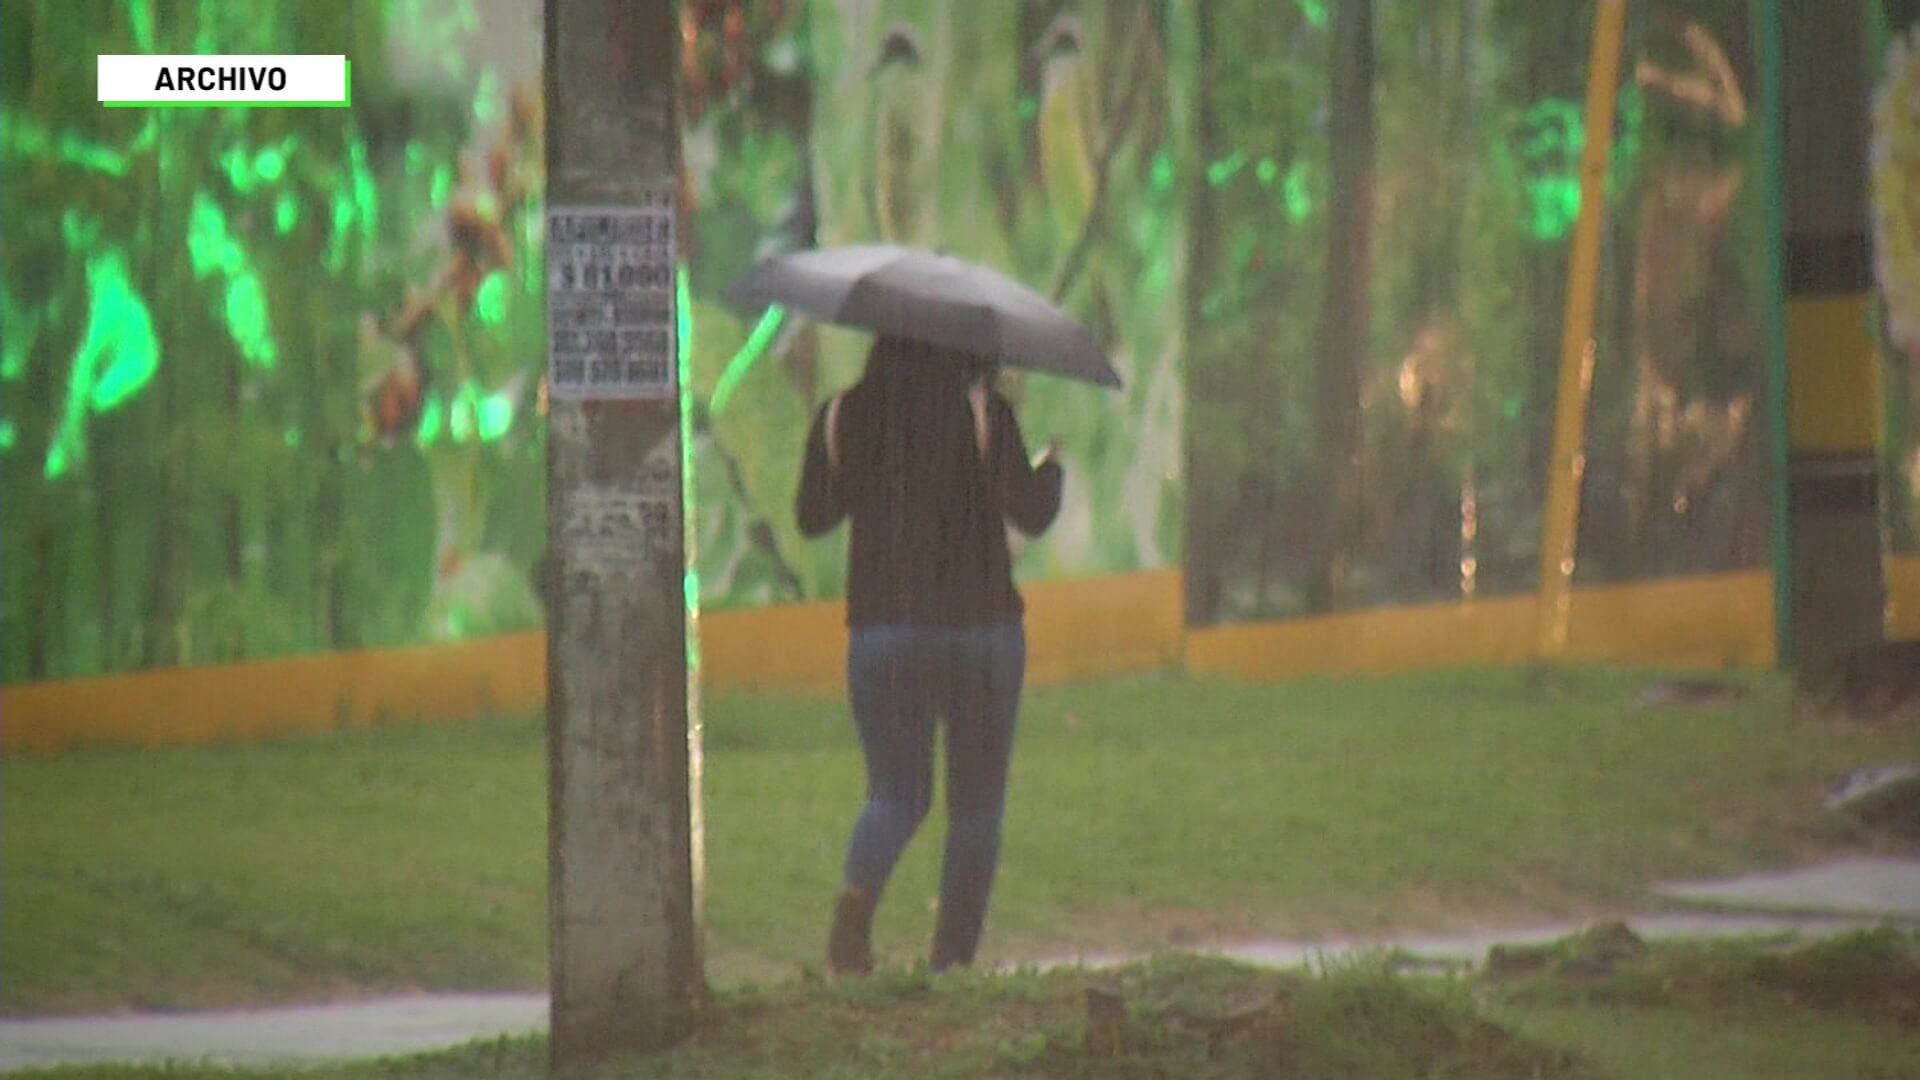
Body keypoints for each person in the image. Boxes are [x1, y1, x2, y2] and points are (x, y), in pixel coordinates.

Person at [795, 333, 1064, 975]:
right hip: (981, 633)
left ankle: (854, 910)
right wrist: (1051, 468)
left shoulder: (843, 414)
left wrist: (863, 479)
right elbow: (1029, 513)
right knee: (976, 804)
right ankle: (952, 964)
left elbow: (813, 517)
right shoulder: (982, 411)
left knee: (896, 793)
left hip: (886, 633)